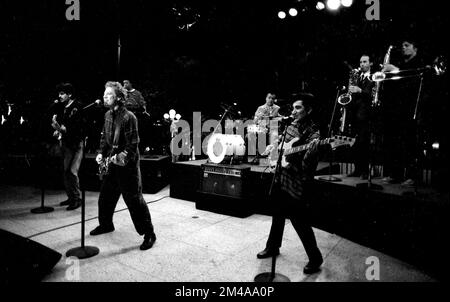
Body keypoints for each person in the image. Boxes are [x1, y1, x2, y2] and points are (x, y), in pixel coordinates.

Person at [257, 93, 324, 275]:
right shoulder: (291, 124)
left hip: (296, 180)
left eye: (298, 107)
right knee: (277, 213)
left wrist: (310, 153)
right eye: (293, 107)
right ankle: (272, 247)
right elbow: (283, 141)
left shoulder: (313, 133)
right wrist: (275, 146)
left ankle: (315, 257)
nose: (294, 111)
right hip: (281, 175)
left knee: (298, 220)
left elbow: (308, 164)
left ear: (308, 110)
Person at [90, 81, 156, 251]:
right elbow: (105, 139)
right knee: (105, 198)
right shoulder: (107, 115)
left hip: (127, 168)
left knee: (134, 201)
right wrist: (101, 153)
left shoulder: (129, 117)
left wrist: (117, 159)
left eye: (109, 94)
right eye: (104, 94)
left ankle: (149, 233)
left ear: (118, 97)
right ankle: (106, 225)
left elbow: (132, 147)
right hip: (112, 165)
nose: (104, 97)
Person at [382, 39, 424, 185]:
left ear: (415, 48)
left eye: (407, 46)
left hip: (413, 109)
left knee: (411, 143)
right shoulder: (403, 64)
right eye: (403, 46)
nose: (403, 48)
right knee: (397, 143)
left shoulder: (419, 64)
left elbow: (414, 83)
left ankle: (413, 176)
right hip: (398, 109)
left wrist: (395, 70)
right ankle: (396, 174)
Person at [51, 83, 84, 211]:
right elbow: (66, 125)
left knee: (72, 171)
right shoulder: (64, 107)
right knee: (66, 172)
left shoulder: (77, 107)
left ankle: (77, 199)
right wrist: (58, 131)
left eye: (62, 93)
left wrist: (60, 128)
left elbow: (76, 127)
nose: (59, 96)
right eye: (59, 93)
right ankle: (71, 197)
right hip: (67, 144)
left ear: (70, 94)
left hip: (76, 145)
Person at [346, 54, 376, 179]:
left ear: (371, 64)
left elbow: (373, 96)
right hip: (355, 114)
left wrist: (360, 91)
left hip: (366, 116)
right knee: (355, 143)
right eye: (360, 62)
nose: (362, 64)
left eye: (365, 62)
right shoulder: (357, 77)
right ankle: (357, 169)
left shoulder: (374, 77)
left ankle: (365, 171)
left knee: (364, 144)